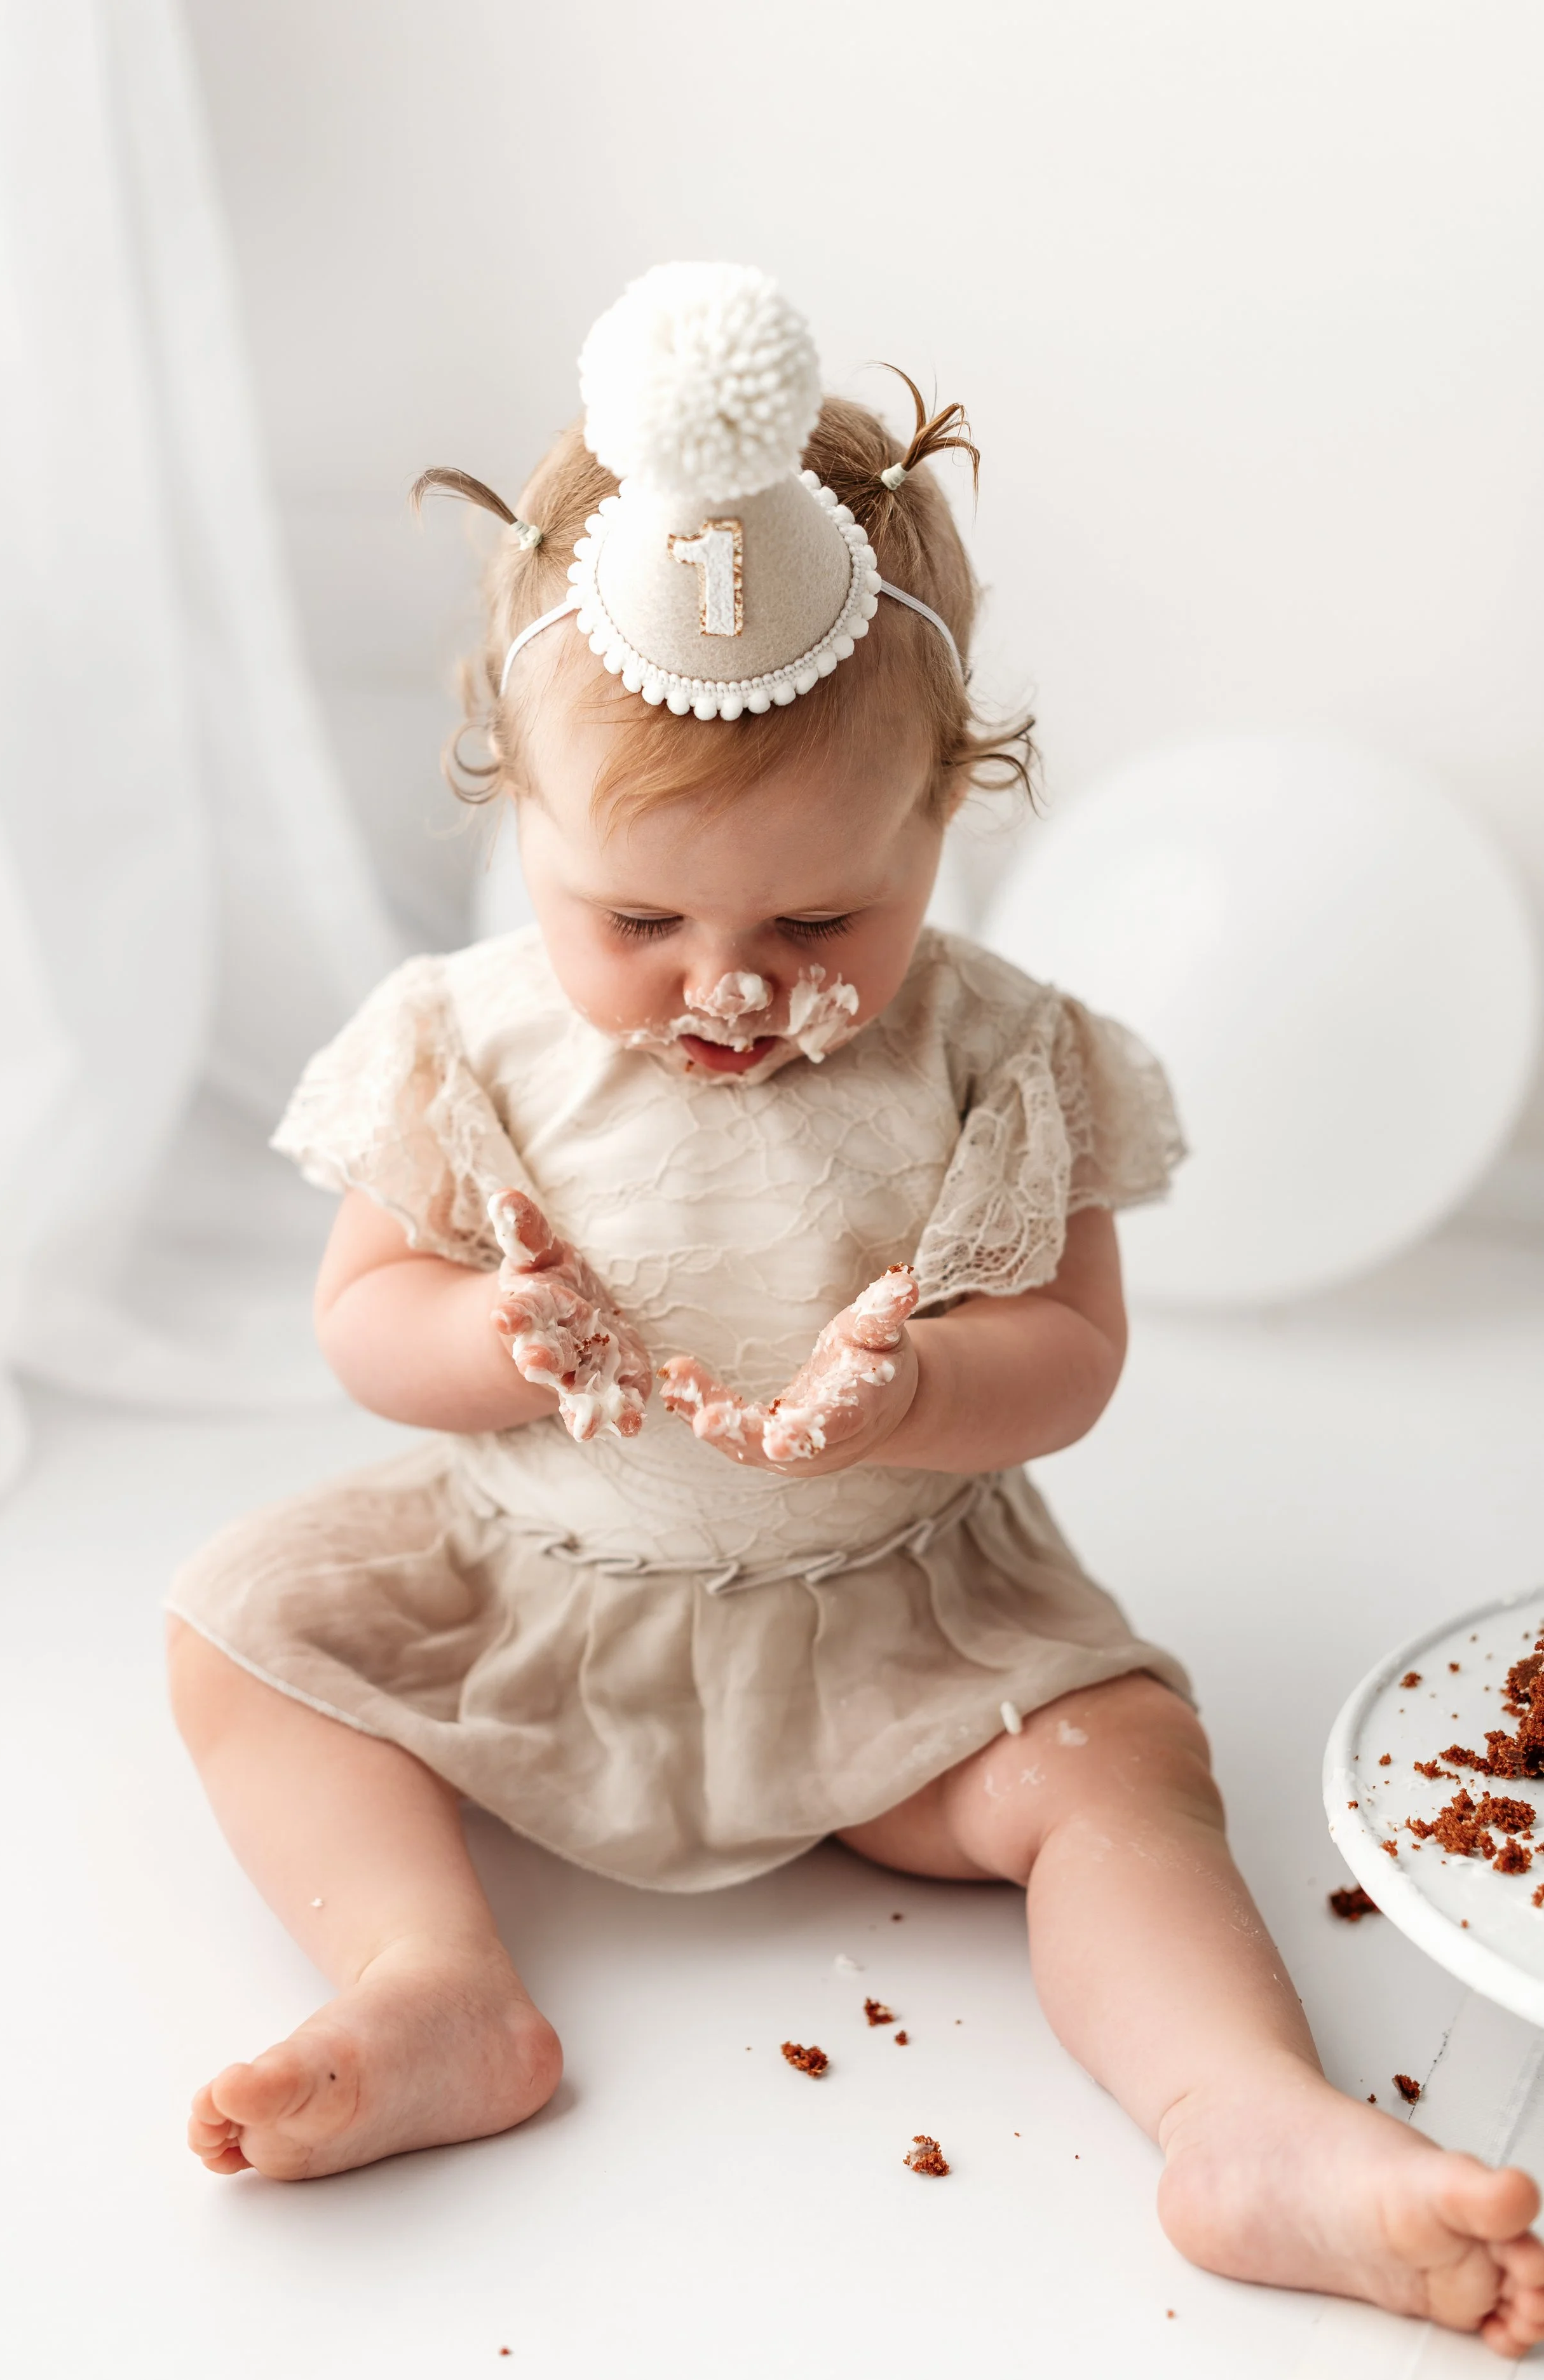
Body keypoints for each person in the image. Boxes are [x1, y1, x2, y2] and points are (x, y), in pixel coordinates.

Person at [166, 264, 1544, 2356]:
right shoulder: (470, 1041)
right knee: (239, 1639)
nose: (731, 980)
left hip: (902, 1620)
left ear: (943, 820)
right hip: (539, 1594)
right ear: (520, 819)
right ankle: (428, 1984)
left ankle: (1242, 2123)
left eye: (822, 915)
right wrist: (483, 1345)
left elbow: (1071, 1360)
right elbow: (365, 1319)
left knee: (1120, 1772)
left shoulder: (994, 1057)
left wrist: (915, 1393)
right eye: (636, 917)